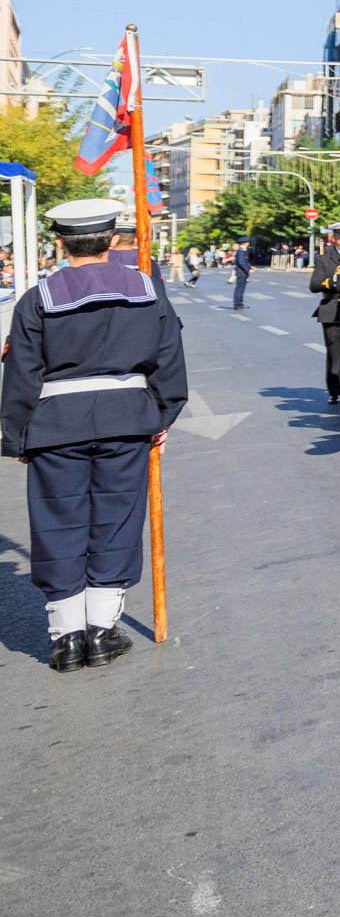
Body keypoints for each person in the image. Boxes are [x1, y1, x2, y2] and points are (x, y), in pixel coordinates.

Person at [3, 201, 187, 672]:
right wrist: (162, 416)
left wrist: (18, 435)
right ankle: (103, 632)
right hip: (127, 420)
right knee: (117, 519)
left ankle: (67, 639)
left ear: (61, 243)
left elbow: (21, 373)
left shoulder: (38, 298)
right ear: (110, 241)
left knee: (59, 523)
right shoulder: (147, 290)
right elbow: (169, 358)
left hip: (55, 425)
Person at [310, 222, 340, 406]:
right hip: (332, 309)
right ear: (334, 238)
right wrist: (331, 282)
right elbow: (314, 285)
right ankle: (334, 390)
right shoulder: (324, 257)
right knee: (334, 355)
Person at [229, 238, 252, 311]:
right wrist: (248, 269)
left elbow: (246, 261)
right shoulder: (240, 251)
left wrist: (251, 267)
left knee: (242, 289)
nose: (249, 243)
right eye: (248, 242)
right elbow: (241, 262)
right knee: (239, 288)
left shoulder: (244, 251)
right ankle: (237, 304)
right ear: (245, 243)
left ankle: (240, 303)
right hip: (241, 272)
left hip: (243, 272)